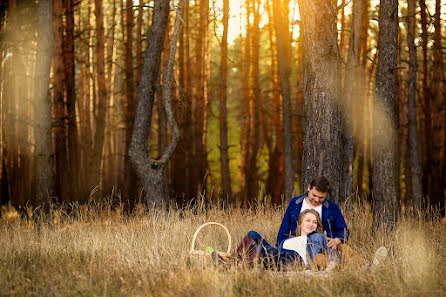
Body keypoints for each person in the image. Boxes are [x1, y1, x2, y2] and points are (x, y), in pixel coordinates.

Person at [217, 209, 341, 270]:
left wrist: (332, 264)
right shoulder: (291, 239)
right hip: (279, 253)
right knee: (253, 234)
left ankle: (231, 265)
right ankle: (233, 262)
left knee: (259, 249)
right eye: (307, 220)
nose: (311, 224)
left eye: (314, 222)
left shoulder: (317, 236)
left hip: (297, 260)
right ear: (300, 223)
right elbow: (277, 251)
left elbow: (331, 250)